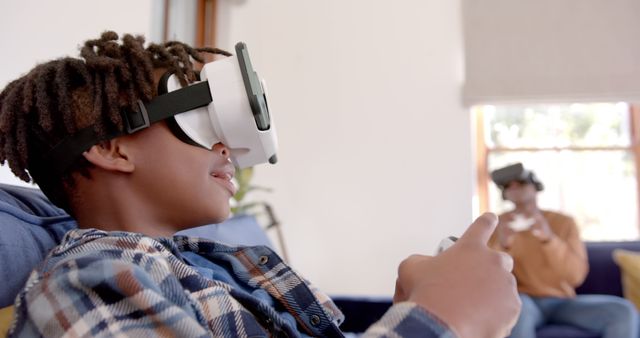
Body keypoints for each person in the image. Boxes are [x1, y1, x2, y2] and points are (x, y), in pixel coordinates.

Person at [0, 31, 520, 337]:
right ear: (112, 147)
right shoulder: (92, 279)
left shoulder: (218, 264)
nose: (230, 151)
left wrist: (403, 312)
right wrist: (442, 319)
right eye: (205, 120)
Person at [489, 163, 638, 338]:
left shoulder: (563, 223)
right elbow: (489, 279)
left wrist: (549, 239)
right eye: (508, 186)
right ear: (504, 193)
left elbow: (575, 275)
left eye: (520, 183)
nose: (514, 188)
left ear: (534, 186)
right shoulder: (496, 225)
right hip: (522, 300)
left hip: (564, 301)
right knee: (515, 312)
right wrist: (503, 245)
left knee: (623, 311)